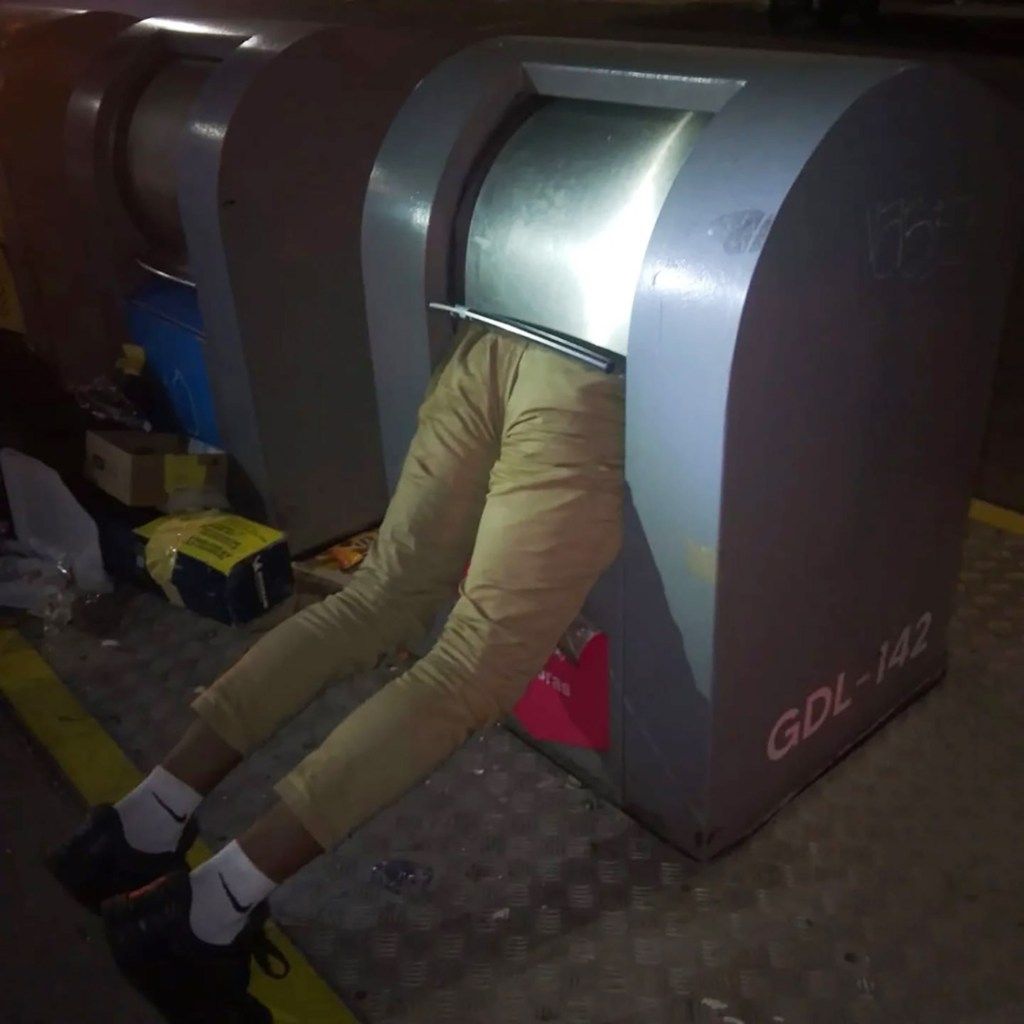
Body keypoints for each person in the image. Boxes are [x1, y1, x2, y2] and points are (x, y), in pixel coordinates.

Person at [49, 323, 625, 1023]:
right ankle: (204, 916)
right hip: (589, 374)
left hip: (498, 336)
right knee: (470, 668)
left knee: (376, 600)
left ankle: (140, 825)